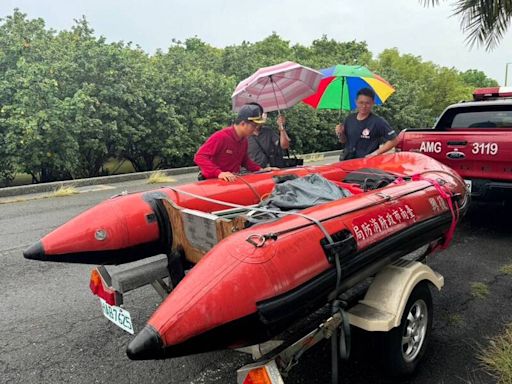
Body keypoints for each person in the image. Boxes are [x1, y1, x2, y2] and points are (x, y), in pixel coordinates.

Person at [194, 103, 278, 182]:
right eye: (253, 126)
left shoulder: (244, 140)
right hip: (213, 183)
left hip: (231, 181)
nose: (255, 129)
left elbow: (245, 161)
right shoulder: (221, 137)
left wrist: (261, 170)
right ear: (243, 124)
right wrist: (219, 173)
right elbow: (199, 157)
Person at [335, 87, 398, 160]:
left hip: (366, 164)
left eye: (367, 103)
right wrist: (340, 133)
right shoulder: (349, 119)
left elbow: (394, 140)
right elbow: (344, 141)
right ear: (356, 102)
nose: (364, 106)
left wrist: (375, 153)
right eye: (361, 102)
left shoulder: (378, 121)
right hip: (347, 161)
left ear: (373, 103)